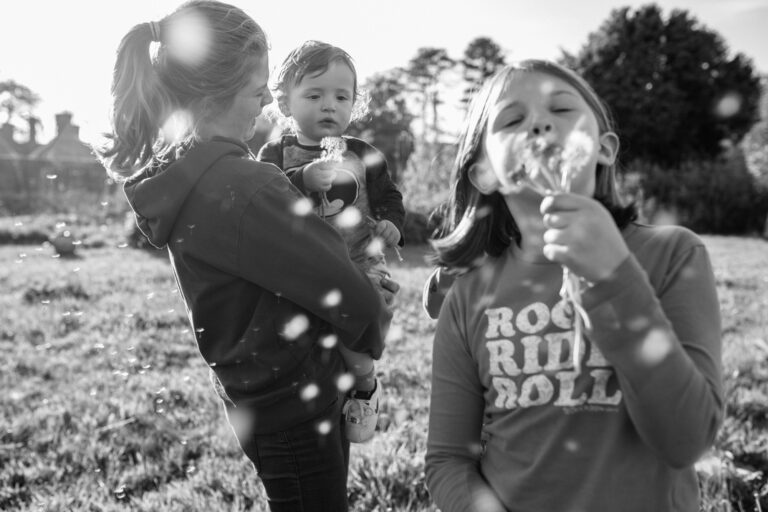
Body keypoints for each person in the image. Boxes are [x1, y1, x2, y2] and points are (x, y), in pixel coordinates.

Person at [96, 2, 394, 510]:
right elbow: (349, 298)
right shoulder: (247, 186)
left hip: (254, 394)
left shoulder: (183, 176)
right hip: (298, 400)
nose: (262, 108)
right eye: (258, 94)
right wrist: (374, 302)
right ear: (218, 93)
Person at [424, 59, 723, 512]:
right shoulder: (468, 299)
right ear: (483, 172)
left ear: (604, 148)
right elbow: (448, 460)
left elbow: (686, 440)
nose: (540, 122)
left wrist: (613, 277)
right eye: (512, 119)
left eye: (561, 110)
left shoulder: (672, 255)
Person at [257, 40, 406, 443]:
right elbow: (263, 203)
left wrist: (391, 222)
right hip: (300, 267)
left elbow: (390, 196)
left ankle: (365, 386)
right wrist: (301, 179)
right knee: (298, 330)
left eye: (342, 97)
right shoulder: (274, 154)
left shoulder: (363, 153)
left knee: (365, 314)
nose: (329, 105)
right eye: (315, 94)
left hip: (359, 259)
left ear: (354, 105)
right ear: (286, 104)